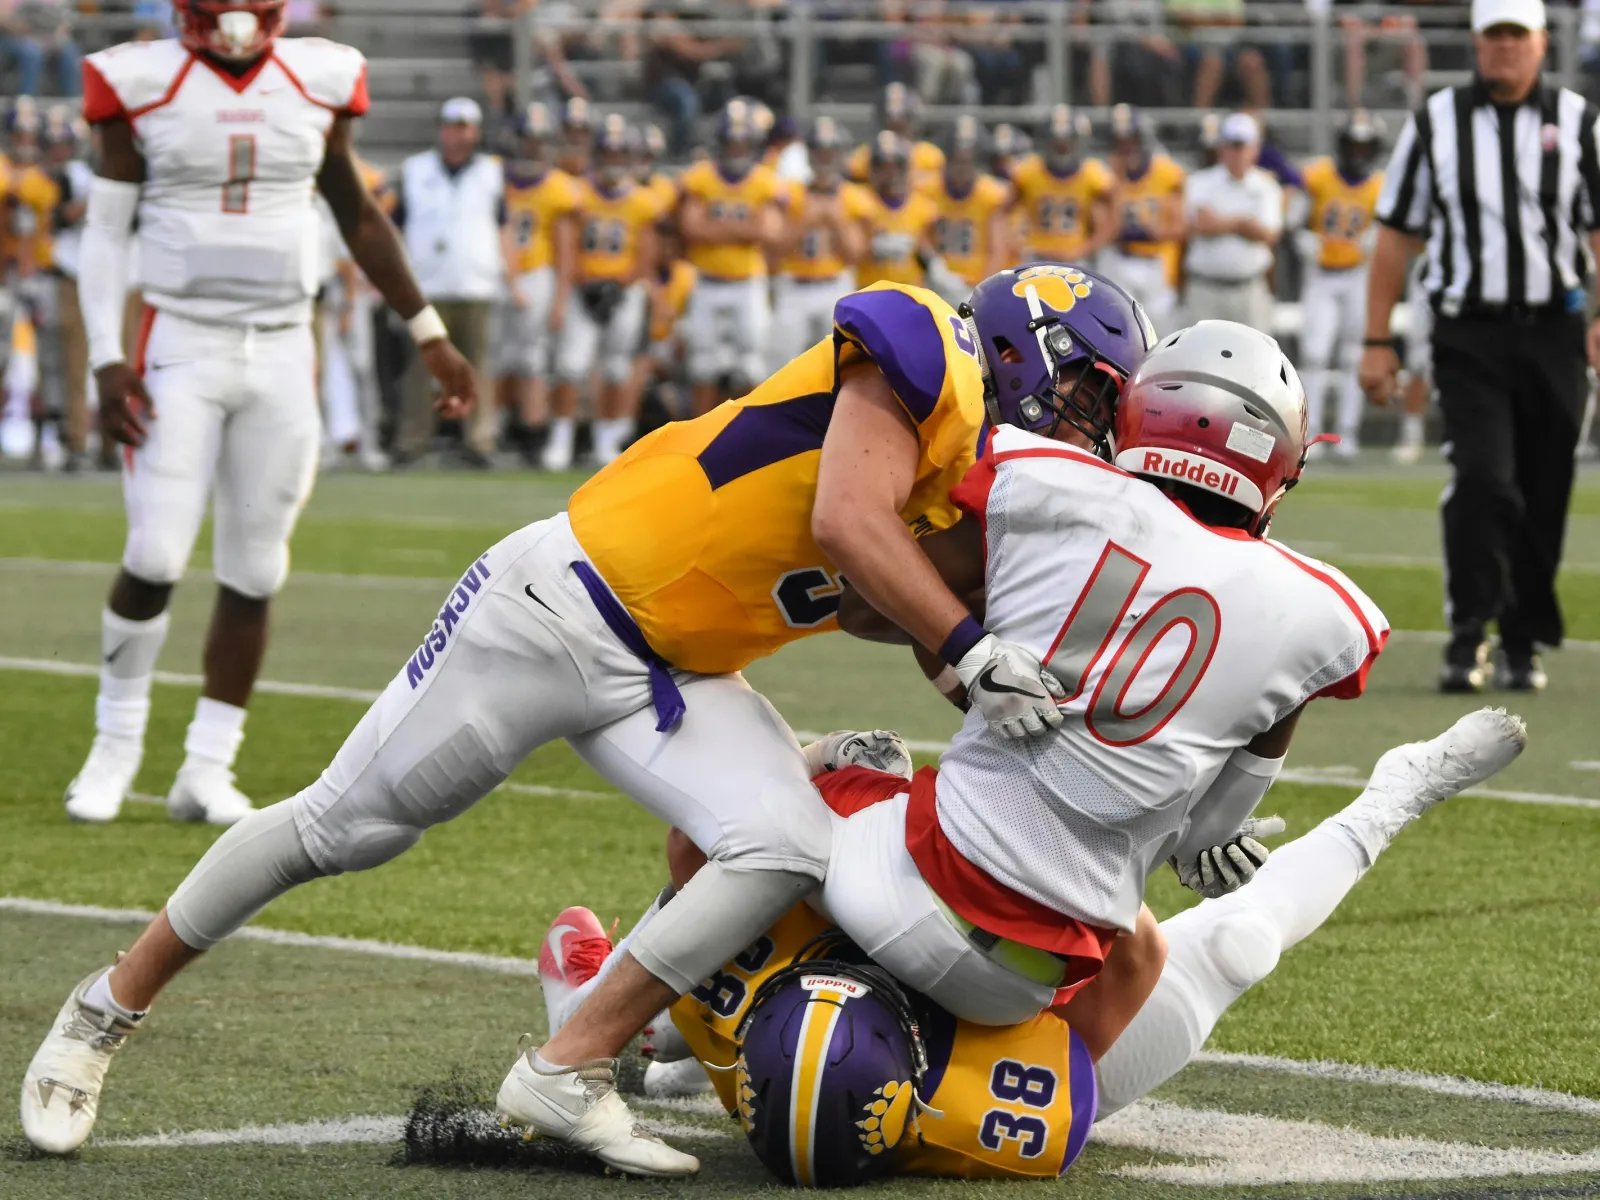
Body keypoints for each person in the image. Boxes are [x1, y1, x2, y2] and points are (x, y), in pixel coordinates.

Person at [20, 269, 1089, 1174]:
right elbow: (845, 522)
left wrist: (1019, 703)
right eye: (1086, 391)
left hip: (675, 669)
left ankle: (568, 1068)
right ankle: (104, 1009)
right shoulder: (925, 348)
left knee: (784, 843)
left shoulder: (967, 481)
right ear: (1023, 347)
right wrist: (968, 644)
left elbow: (871, 600)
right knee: (339, 830)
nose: (1088, 422)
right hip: (555, 612)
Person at [534, 708, 1526, 1184]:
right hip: (1037, 1024)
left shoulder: (732, 985)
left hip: (734, 1037)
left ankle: (649, 1053)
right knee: (1238, 948)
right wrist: (1138, 854)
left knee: (698, 935)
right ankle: (1400, 793)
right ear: (916, 1066)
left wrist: (822, 756)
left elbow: (694, 832)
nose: (855, 960)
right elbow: (1127, 958)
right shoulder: (988, 1111)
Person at [815, 304, 1388, 1031]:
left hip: (917, 878)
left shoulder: (1046, 481)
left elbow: (864, 605)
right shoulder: (1320, 612)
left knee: (773, 793)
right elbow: (1208, 829)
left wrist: (972, 644)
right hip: (1046, 974)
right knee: (1137, 950)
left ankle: (692, 1011)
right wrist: (1207, 848)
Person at [55, 0, 476, 826]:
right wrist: (106, 356)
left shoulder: (320, 74)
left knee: (256, 567)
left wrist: (428, 332)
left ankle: (208, 767)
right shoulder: (137, 77)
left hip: (284, 345)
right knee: (154, 550)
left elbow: (355, 210)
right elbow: (106, 232)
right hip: (179, 338)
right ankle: (114, 750)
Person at [1360, 0, 1598, 694]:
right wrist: (1378, 340)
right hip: (1469, 332)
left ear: (1540, 43)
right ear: (1474, 42)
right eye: (1493, 36)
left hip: (1555, 330)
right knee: (1487, 480)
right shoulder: (1436, 122)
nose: (1504, 49)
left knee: (1545, 486)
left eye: (1515, 36)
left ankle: (1522, 639)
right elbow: (1396, 237)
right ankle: (1470, 633)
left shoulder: (1580, 122)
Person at [391, 97, 508, 468]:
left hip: (475, 280)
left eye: (465, 128)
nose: (457, 135)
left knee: (478, 363)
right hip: (426, 284)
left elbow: (502, 227)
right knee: (420, 366)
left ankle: (480, 439)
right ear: (441, 129)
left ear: (475, 132)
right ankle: (412, 441)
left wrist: (511, 277)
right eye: (452, 127)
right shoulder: (415, 170)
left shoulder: (492, 171)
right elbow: (396, 226)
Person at [545, 114, 660, 470]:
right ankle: (560, 438)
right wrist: (579, 283)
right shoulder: (576, 195)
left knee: (615, 369)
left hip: (623, 293)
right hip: (584, 289)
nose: (613, 162)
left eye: (619, 155)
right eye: (607, 154)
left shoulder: (642, 201)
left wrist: (622, 284)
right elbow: (564, 245)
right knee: (570, 367)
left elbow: (647, 254)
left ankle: (606, 439)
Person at [677, 96, 785, 417]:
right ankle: (698, 434)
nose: (736, 150)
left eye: (741, 143)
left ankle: (746, 432)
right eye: (731, 143)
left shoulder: (765, 180)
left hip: (747, 282)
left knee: (751, 363)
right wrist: (743, 228)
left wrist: (717, 225)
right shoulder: (701, 176)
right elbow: (691, 228)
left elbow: (768, 232)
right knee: (702, 364)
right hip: (707, 282)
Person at [1298, 111, 1385, 459]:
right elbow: (1294, 221)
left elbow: (1391, 229)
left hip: (1358, 275)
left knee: (1353, 356)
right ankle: (1314, 431)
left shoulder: (1381, 185)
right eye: (1353, 145)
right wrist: (1303, 239)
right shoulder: (1318, 176)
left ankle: (1348, 432)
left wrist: (1376, 239)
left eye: (1365, 146)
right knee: (1315, 354)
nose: (1359, 153)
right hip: (1321, 276)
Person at [500, 101, 580, 468]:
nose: (532, 148)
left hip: (536, 275)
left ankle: (532, 432)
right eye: (527, 140)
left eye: (538, 141)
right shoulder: (493, 177)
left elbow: (564, 249)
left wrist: (561, 298)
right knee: (498, 357)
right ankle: (499, 430)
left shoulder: (559, 189)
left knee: (533, 358)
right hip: (496, 274)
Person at [766, 116, 871, 374]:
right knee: (781, 368)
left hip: (834, 286)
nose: (824, 159)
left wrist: (836, 222)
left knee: (836, 368)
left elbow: (855, 255)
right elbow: (775, 246)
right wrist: (805, 220)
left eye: (830, 152)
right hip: (793, 286)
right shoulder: (790, 192)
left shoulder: (854, 196)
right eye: (819, 152)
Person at [1181, 112, 1282, 331]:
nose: (1237, 153)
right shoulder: (1199, 181)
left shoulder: (1266, 186)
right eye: (1232, 146)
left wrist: (1220, 221)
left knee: (1254, 359)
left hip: (1249, 287)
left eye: (1242, 146)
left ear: (1255, 149)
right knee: (1200, 359)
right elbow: (1198, 224)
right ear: (1221, 148)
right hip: (1205, 287)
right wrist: (1243, 222)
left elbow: (1269, 234)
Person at [1101, 104, 1186, 325]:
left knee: (1162, 336)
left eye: (1131, 140)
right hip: (1119, 258)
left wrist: (1155, 232)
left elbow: (1181, 228)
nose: (1126, 148)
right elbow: (1103, 228)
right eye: (1120, 142)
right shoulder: (1107, 175)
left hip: (1157, 262)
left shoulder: (1169, 173)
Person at [1011, 105, 1118, 266]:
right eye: (1057, 142)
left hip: (1075, 258)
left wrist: (1086, 248)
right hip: (1035, 255)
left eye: (1067, 142)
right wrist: (1014, 242)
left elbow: (1113, 218)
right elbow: (1000, 213)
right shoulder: (1028, 171)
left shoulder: (1093, 175)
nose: (1062, 147)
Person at [926, 115, 1011, 299]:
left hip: (974, 285)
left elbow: (997, 251)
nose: (961, 166)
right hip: (933, 286)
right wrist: (932, 263)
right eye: (956, 159)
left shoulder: (992, 194)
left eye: (968, 159)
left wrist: (980, 291)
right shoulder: (927, 190)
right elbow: (918, 235)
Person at [854, 131, 941, 292]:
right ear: (872, 170)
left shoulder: (923, 206)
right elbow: (849, 254)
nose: (891, 174)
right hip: (867, 292)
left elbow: (930, 252)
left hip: (911, 293)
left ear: (907, 169)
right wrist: (871, 248)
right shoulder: (859, 201)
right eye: (884, 167)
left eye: (897, 166)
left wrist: (933, 263)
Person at [847, 83, 945, 193]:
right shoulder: (863, 157)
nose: (896, 123)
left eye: (901, 123)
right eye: (891, 124)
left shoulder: (931, 157)